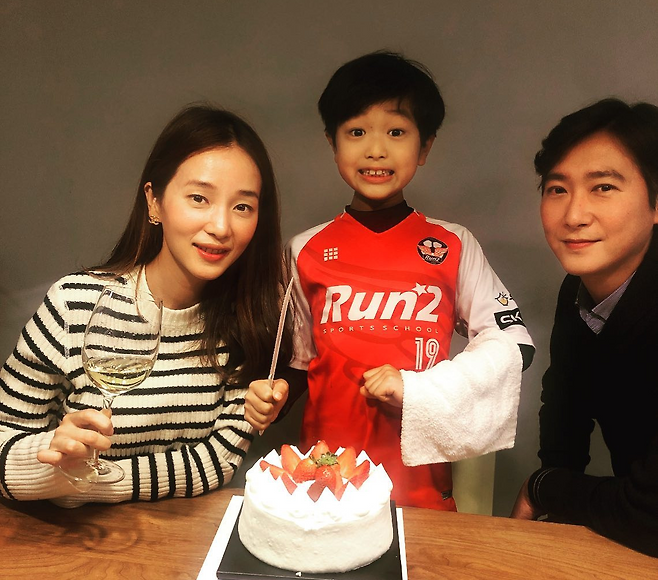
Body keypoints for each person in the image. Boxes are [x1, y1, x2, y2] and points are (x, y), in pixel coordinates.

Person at [246, 51, 534, 510]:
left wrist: (417, 390)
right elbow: (300, 365)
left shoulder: (453, 244)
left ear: (425, 147)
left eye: (396, 132)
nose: (375, 150)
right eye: (356, 132)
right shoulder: (304, 250)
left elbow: (516, 346)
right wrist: (273, 397)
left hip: (421, 490)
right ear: (333, 143)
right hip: (327, 489)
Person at [0, 104, 292, 507]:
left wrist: (87, 483)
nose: (221, 227)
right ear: (154, 202)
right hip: (66, 539)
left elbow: (219, 462)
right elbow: (4, 435)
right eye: (199, 198)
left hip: (179, 541)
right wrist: (54, 463)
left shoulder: (249, 320)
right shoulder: (75, 304)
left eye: (242, 207)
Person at [511, 98, 658, 557]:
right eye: (557, 189)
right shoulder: (578, 289)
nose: (574, 215)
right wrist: (554, 493)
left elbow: (651, 514)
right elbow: (565, 401)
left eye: (603, 187)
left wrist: (544, 488)